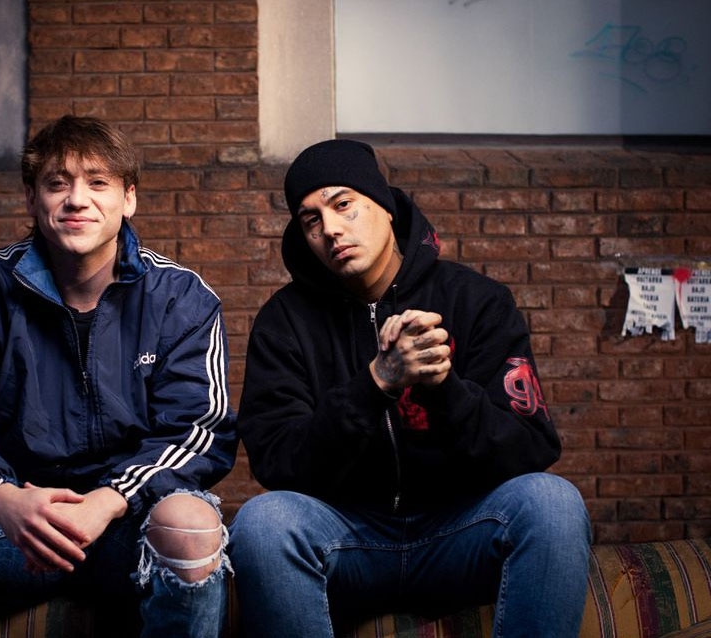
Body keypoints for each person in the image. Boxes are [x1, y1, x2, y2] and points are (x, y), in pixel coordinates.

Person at [0, 115, 238, 638]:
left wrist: (107, 501)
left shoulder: (181, 297)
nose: (77, 200)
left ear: (128, 198)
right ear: (32, 199)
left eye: (98, 183)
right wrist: (1, 496)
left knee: (190, 523)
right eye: (58, 183)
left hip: (126, 531)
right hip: (5, 530)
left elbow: (199, 430)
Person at [228, 139, 591, 637]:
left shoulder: (476, 301)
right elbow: (277, 462)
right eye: (311, 221)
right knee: (262, 522)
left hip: (460, 532)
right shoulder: (284, 322)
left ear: (386, 207)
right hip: (347, 539)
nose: (330, 228)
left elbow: (532, 447)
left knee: (553, 503)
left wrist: (445, 389)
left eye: (343, 204)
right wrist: (375, 383)